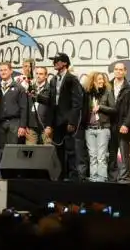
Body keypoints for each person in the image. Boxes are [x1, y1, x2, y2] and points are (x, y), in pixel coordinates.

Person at [37, 53, 83, 181]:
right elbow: (52, 103)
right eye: (54, 60)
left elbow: (77, 103)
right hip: (56, 121)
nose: (54, 63)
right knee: (58, 151)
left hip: (67, 121)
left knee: (71, 151)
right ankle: (60, 177)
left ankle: (73, 178)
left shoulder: (72, 79)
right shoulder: (53, 80)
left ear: (64, 63)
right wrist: (37, 97)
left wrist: (72, 122)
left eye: (57, 61)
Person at [82, 72, 116, 182]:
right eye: (99, 79)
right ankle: (93, 178)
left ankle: (101, 179)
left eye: (102, 79)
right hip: (89, 129)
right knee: (92, 156)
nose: (101, 81)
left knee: (101, 156)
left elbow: (114, 109)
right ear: (93, 81)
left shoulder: (108, 92)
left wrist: (100, 107)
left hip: (103, 128)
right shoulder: (88, 94)